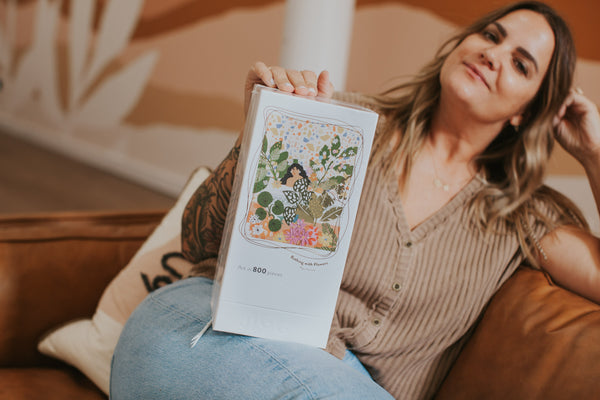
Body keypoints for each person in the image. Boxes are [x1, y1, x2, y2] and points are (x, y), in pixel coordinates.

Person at [110, 1, 600, 399]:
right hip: (203, 335)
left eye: (520, 64)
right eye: (491, 35)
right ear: (463, 44)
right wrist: (257, 136)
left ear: (527, 111)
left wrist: (595, 155)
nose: (494, 54)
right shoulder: (339, 127)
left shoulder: (524, 217)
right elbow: (198, 242)